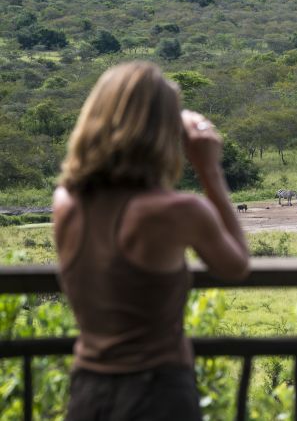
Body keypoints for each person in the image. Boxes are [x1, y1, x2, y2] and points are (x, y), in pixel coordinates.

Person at [52, 61, 249, 420]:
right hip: (157, 391)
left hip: (88, 389)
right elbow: (235, 265)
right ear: (163, 133)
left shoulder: (65, 203)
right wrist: (209, 170)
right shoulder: (174, 211)